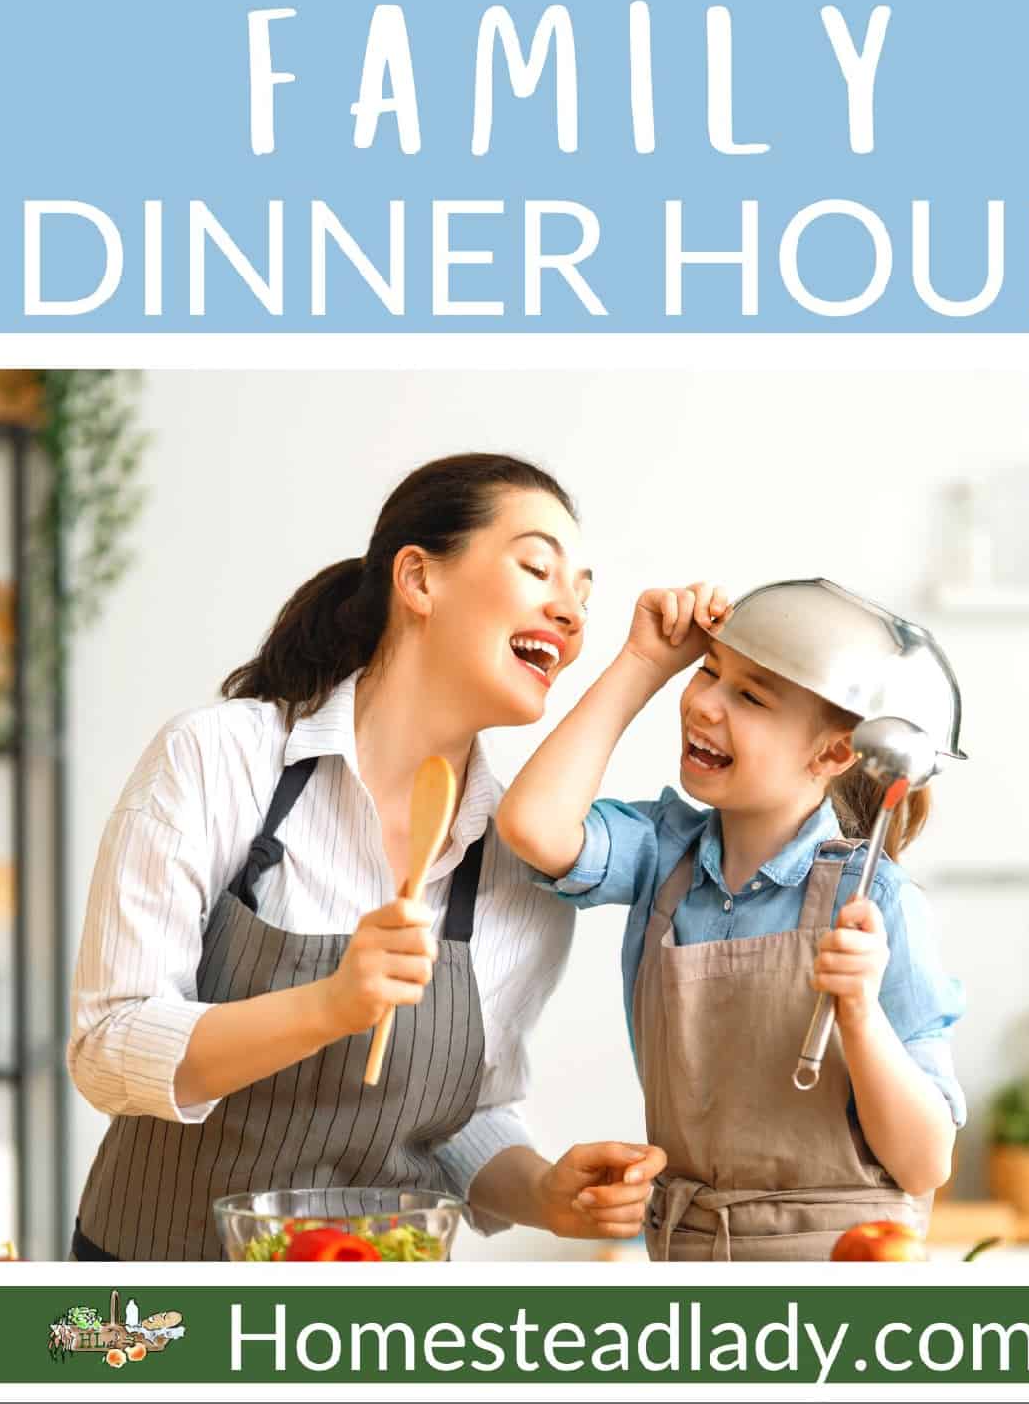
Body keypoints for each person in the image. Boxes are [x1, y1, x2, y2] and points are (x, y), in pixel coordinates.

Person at [68, 453, 665, 1259]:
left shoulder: (521, 865)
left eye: (584, 597)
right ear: (418, 579)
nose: (571, 614)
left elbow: (464, 1115)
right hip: (154, 1299)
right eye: (537, 569)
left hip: (372, 1312)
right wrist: (326, 1006)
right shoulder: (219, 760)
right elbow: (109, 1046)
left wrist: (546, 1194)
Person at [496, 577, 967, 1261]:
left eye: (748, 696)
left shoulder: (878, 904)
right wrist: (643, 664)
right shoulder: (660, 854)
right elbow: (532, 825)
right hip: (690, 1264)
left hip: (845, 1270)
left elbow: (925, 1165)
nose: (704, 704)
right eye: (707, 672)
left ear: (834, 753)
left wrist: (859, 1012)